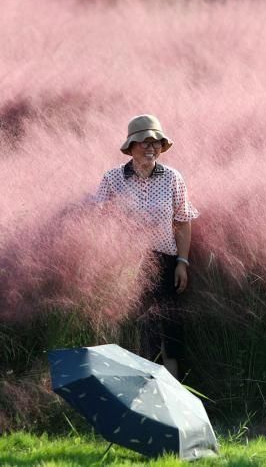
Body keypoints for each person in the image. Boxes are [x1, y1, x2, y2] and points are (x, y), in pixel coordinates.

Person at [96, 114, 199, 379]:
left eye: (156, 141)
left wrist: (182, 262)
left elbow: (183, 221)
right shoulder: (112, 179)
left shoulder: (173, 178)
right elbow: (102, 224)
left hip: (166, 262)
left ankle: (175, 394)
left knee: (171, 329)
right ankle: (143, 395)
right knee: (142, 330)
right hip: (129, 265)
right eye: (144, 142)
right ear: (131, 146)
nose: (151, 146)